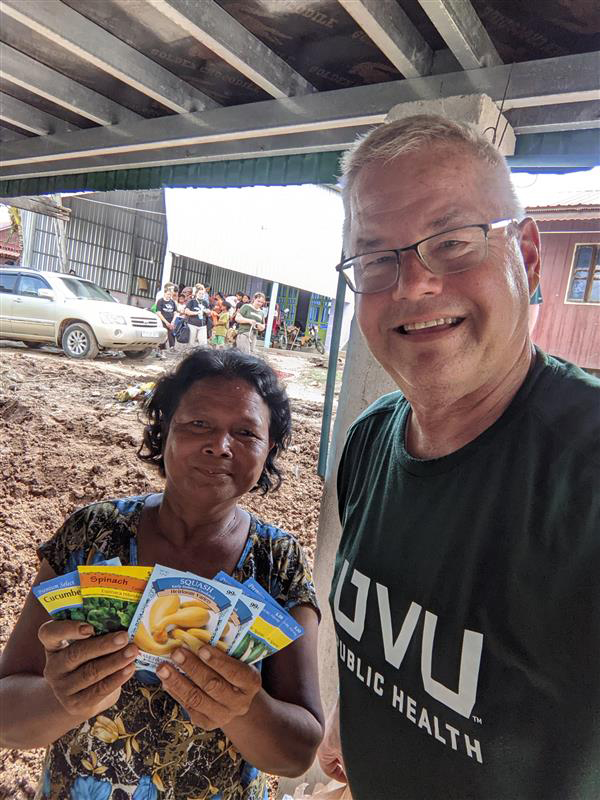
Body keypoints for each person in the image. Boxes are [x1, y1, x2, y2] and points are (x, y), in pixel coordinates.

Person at [317, 115, 600, 799]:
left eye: (450, 242)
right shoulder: (370, 441)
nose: (411, 284)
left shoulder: (587, 476)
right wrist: (353, 733)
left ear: (527, 259)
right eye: (378, 258)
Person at [0, 349, 324, 799]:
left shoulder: (278, 562)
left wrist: (244, 709)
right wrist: (61, 699)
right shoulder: (92, 535)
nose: (220, 445)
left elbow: (297, 753)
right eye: (198, 424)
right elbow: (6, 718)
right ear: (164, 428)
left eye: (246, 431)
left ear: (268, 449)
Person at [155, 286, 177, 355]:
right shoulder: (160, 301)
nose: (169, 296)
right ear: (164, 293)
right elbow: (158, 313)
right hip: (163, 321)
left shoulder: (172, 302)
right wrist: (166, 322)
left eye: (170, 295)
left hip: (171, 321)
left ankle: (172, 347)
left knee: (171, 334)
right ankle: (161, 350)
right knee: (163, 335)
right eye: (168, 294)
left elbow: (175, 312)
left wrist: (173, 321)